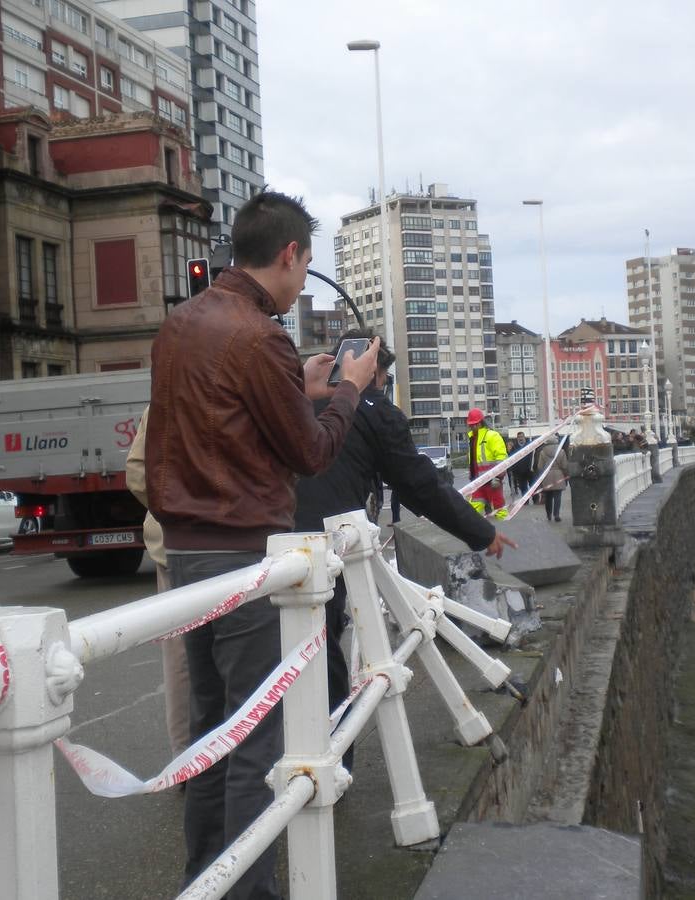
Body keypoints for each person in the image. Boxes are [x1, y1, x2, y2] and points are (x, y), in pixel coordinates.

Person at [146, 189, 381, 898]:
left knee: (212, 732)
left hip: (187, 556)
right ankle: (249, 891)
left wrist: (298, 387)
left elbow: (232, 423)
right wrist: (347, 388)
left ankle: (206, 880)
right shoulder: (259, 335)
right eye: (306, 264)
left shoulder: (181, 324)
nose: (304, 279)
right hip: (247, 554)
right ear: (288, 254)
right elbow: (311, 454)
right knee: (256, 738)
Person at [293, 331, 515, 769]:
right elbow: (419, 485)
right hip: (331, 546)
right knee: (323, 654)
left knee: (282, 656)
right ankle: (329, 765)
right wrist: (480, 532)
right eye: (385, 373)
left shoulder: (299, 403)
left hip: (274, 541)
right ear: (372, 370)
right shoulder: (374, 410)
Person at [125, 406, 190, 758]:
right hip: (233, 543)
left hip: (172, 542)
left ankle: (188, 758)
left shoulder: (161, 399)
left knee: (180, 659)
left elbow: (136, 472)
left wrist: (171, 512)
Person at [467, 408, 508, 518]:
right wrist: (471, 476)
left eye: (474, 424)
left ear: (480, 423)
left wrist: (498, 477)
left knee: (499, 509)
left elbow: (501, 458)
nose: (472, 427)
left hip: (492, 481)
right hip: (478, 482)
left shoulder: (492, 436)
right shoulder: (472, 438)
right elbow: (473, 461)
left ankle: (505, 527)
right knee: (472, 510)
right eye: (470, 425)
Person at [534, 436, 570, 522]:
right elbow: (564, 466)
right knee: (558, 496)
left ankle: (548, 514)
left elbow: (540, 466)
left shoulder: (542, 452)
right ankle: (556, 514)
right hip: (558, 475)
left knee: (548, 497)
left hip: (546, 475)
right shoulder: (561, 451)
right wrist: (566, 474)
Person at [509, 432, 534, 498]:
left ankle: (535, 498)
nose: (520, 438)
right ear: (517, 438)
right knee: (523, 487)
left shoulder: (529, 446)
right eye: (519, 437)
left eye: (522, 437)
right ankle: (525, 500)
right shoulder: (514, 448)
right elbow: (511, 459)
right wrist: (513, 470)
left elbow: (533, 456)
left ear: (524, 437)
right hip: (519, 471)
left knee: (532, 485)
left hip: (530, 470)